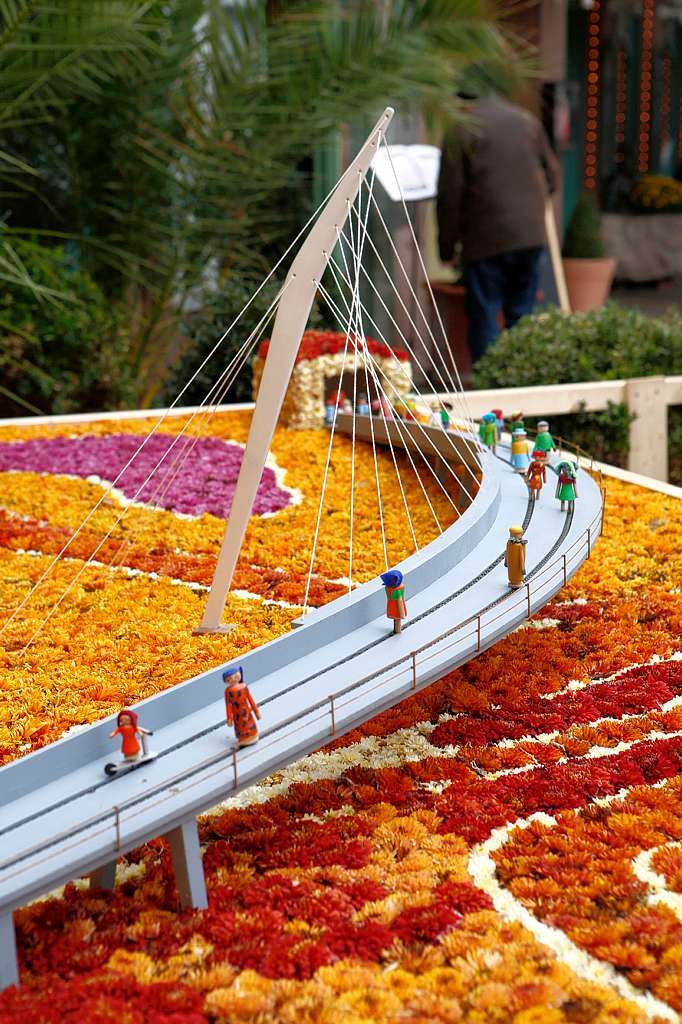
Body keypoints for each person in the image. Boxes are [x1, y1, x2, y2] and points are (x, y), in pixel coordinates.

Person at [437, 91, 558, 363]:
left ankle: (490, 387)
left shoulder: (462, 127)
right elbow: (552, 177)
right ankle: (520, 380)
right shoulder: (527, 122)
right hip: (530, 236)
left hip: (485, 239)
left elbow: (449, 195)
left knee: (485, 315)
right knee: (522, 315)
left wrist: (446, 247)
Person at [224, 666, 261, 747]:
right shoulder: (228, 691)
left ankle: (252, 735)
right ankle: (243, 739)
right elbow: (228, 705)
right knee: (240, 725)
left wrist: (256, 712)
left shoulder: (244, 686)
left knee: (248, 722)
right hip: (236, 713)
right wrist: (229, 718)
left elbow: (250, 700)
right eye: (230, 678)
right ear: (226, 681)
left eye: (235, 676)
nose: (233, 679)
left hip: (246, 710)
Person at [380, 569, 407, 634]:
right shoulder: (397, 590)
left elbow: (397, 601)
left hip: (393, 607)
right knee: (397, 619)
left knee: (396, 619)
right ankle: (397, 630)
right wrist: (402, 614)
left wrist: (402, 614)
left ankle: (397, 630)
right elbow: (399, 601)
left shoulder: (391, 589)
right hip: (395, 608)